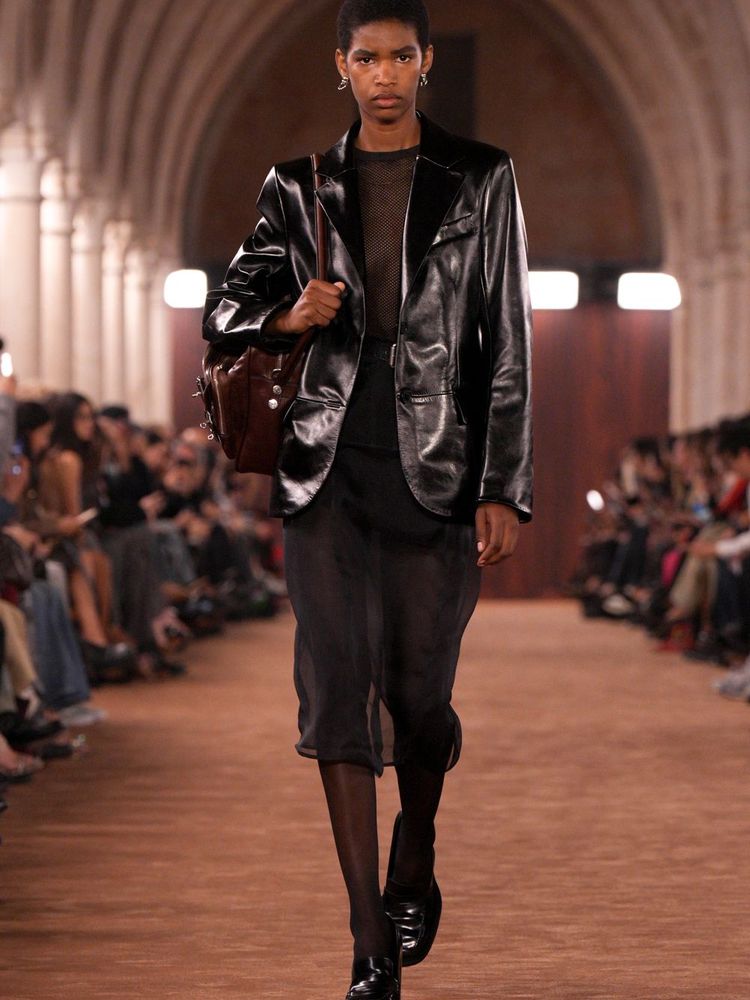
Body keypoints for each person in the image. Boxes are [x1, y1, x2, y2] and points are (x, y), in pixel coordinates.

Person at [202, 1, 532, 996]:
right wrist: (285, 312)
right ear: (340, 66)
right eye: (365, 57)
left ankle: (414, 850)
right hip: (326, 461)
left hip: (439, 459)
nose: (382, 74)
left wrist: (504, 485)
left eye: (399, 56)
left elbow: (506, 343)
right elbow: (225, 307)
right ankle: (368, 941)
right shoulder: (297, 185)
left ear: (425, 63)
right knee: (338, 690)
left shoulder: (483, 176)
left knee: (420, 696)